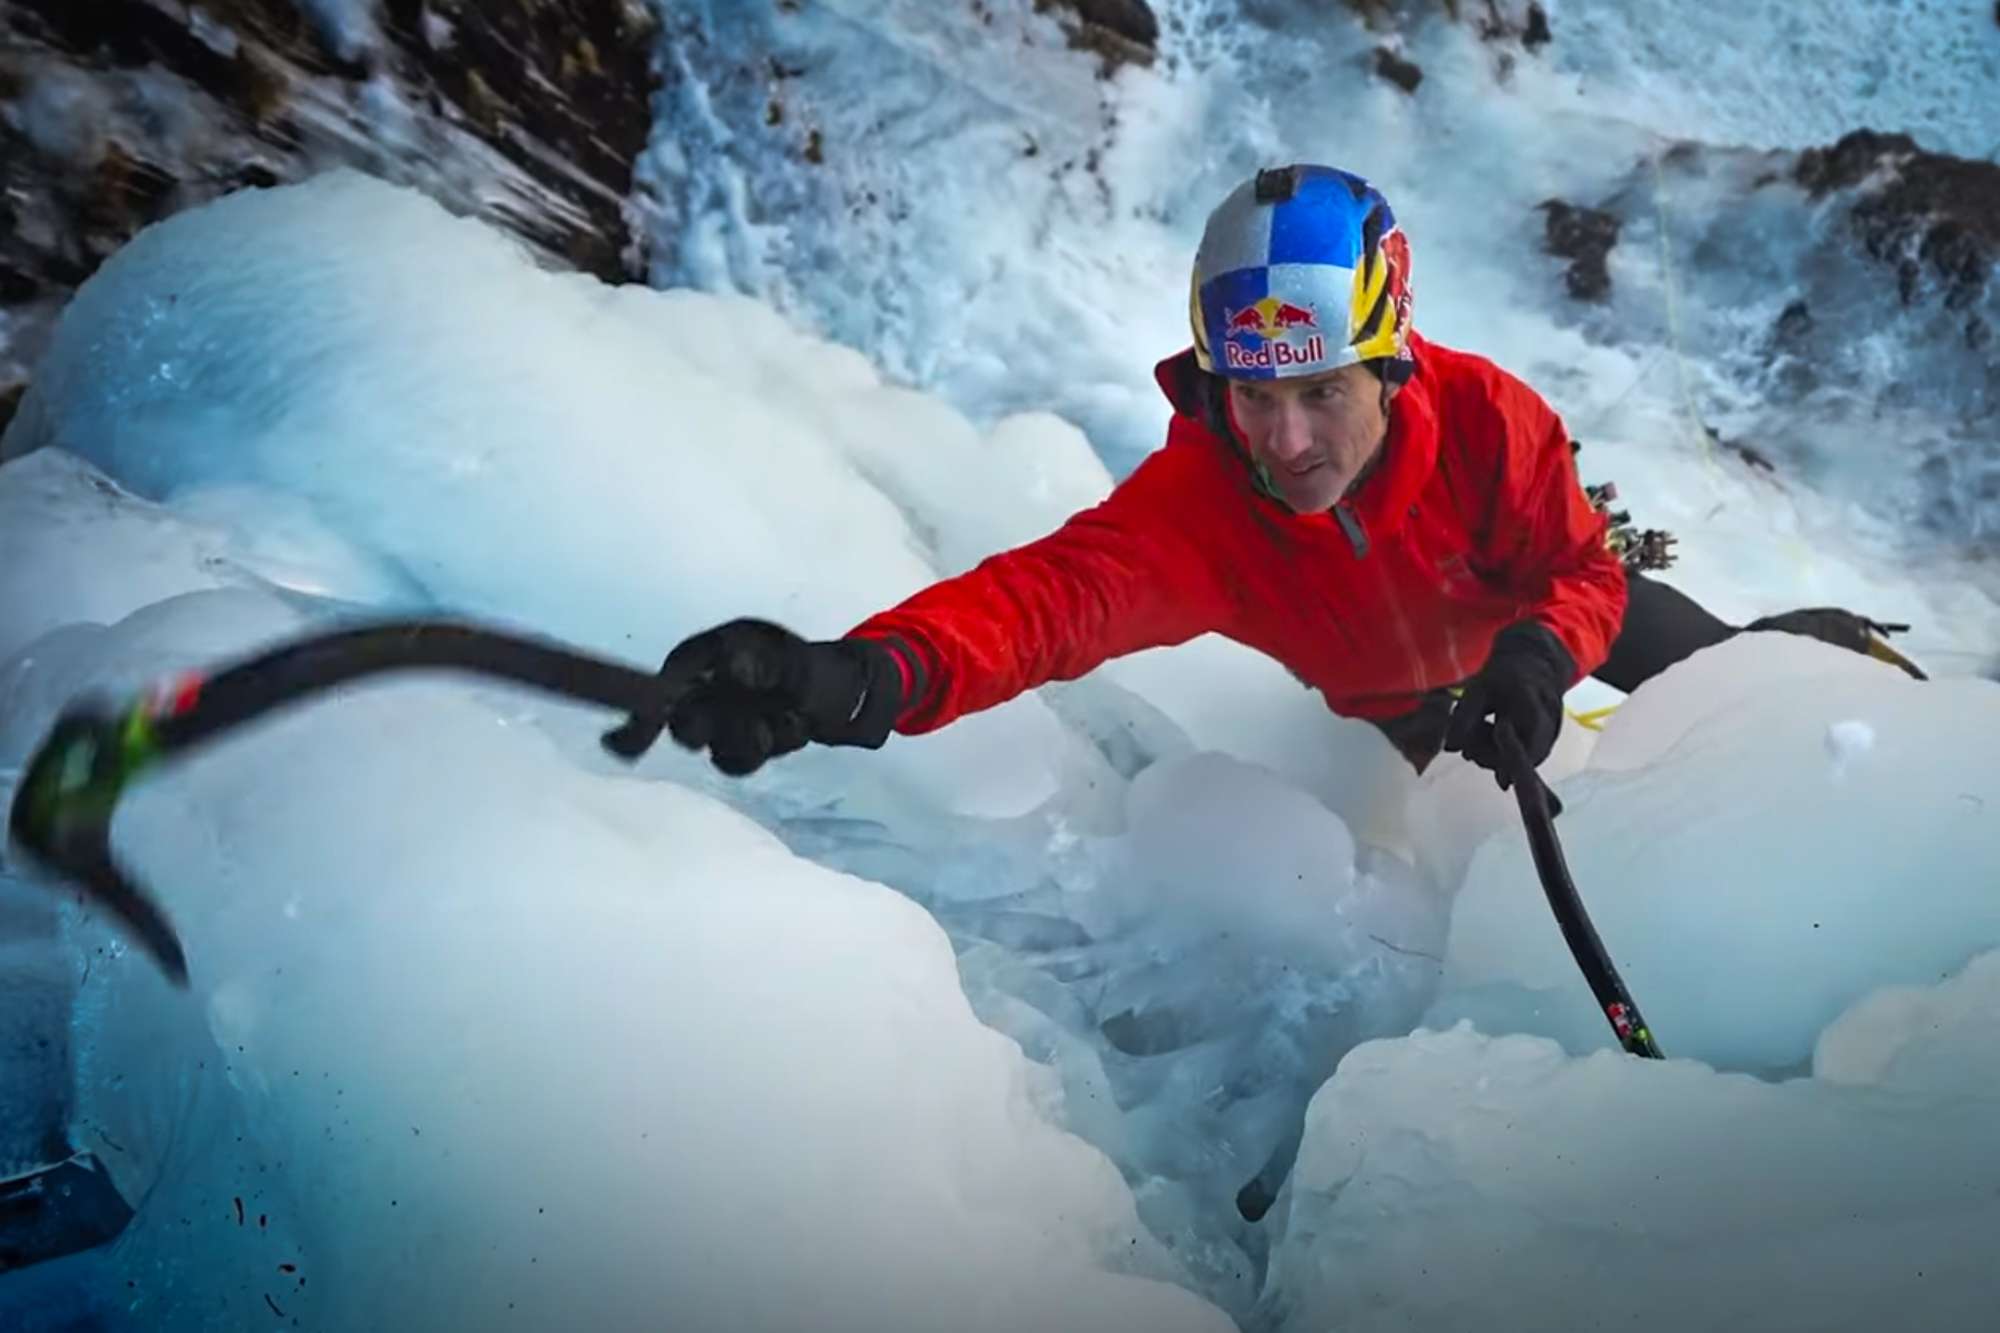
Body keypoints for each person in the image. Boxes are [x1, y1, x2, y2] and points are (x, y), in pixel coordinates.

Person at [647, 164, 1920, 786]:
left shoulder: (1484, 417)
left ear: (1391, 362)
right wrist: (863, 672)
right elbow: (1041, 605)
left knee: (1756, 695)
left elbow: (1580, 569)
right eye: (1253, 396)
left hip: (1540, 629)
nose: (1287, 440)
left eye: (1321, 393)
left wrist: (1536, 658)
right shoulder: (1201, 512)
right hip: (1402, 709)